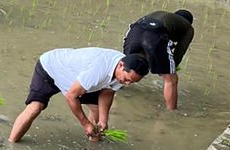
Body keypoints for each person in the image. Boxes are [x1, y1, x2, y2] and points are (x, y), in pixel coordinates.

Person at [8, 48, 149, 143]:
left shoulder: (121, 74)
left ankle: (92, 147)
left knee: (97, 113)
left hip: (76, 78)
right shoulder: (98, 70)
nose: (128, 83)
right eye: (127, 79)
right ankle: (11, 144)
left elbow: (107, 92)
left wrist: (104, 121)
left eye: (132, 82)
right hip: (50, 68)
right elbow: (71, 96)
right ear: (121, 66)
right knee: (35, 108)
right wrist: (85, 123)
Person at [123, 9, 194, 110]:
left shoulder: (161, 14)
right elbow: (179, 53)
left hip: (135, 31)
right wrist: (166, 70)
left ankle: (117, 91)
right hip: (154, 36)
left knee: (126, 64)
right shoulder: (188, 28)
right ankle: (171, 113)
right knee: (171, 79)